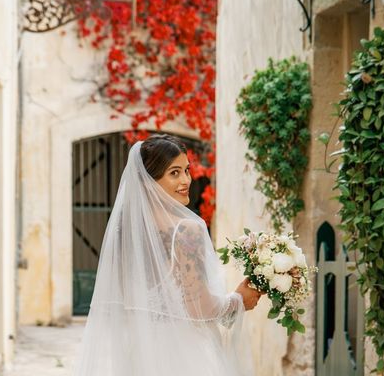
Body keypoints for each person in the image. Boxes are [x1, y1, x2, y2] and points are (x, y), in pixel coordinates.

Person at [74, 134, 261, 376]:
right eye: (174, 173)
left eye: (186, 170)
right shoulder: (187, 230)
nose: (186, 180)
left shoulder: (125, 231)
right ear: (148, 182)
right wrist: (238, 300)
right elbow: (199, 308)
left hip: (141, 355)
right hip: (187, 354)